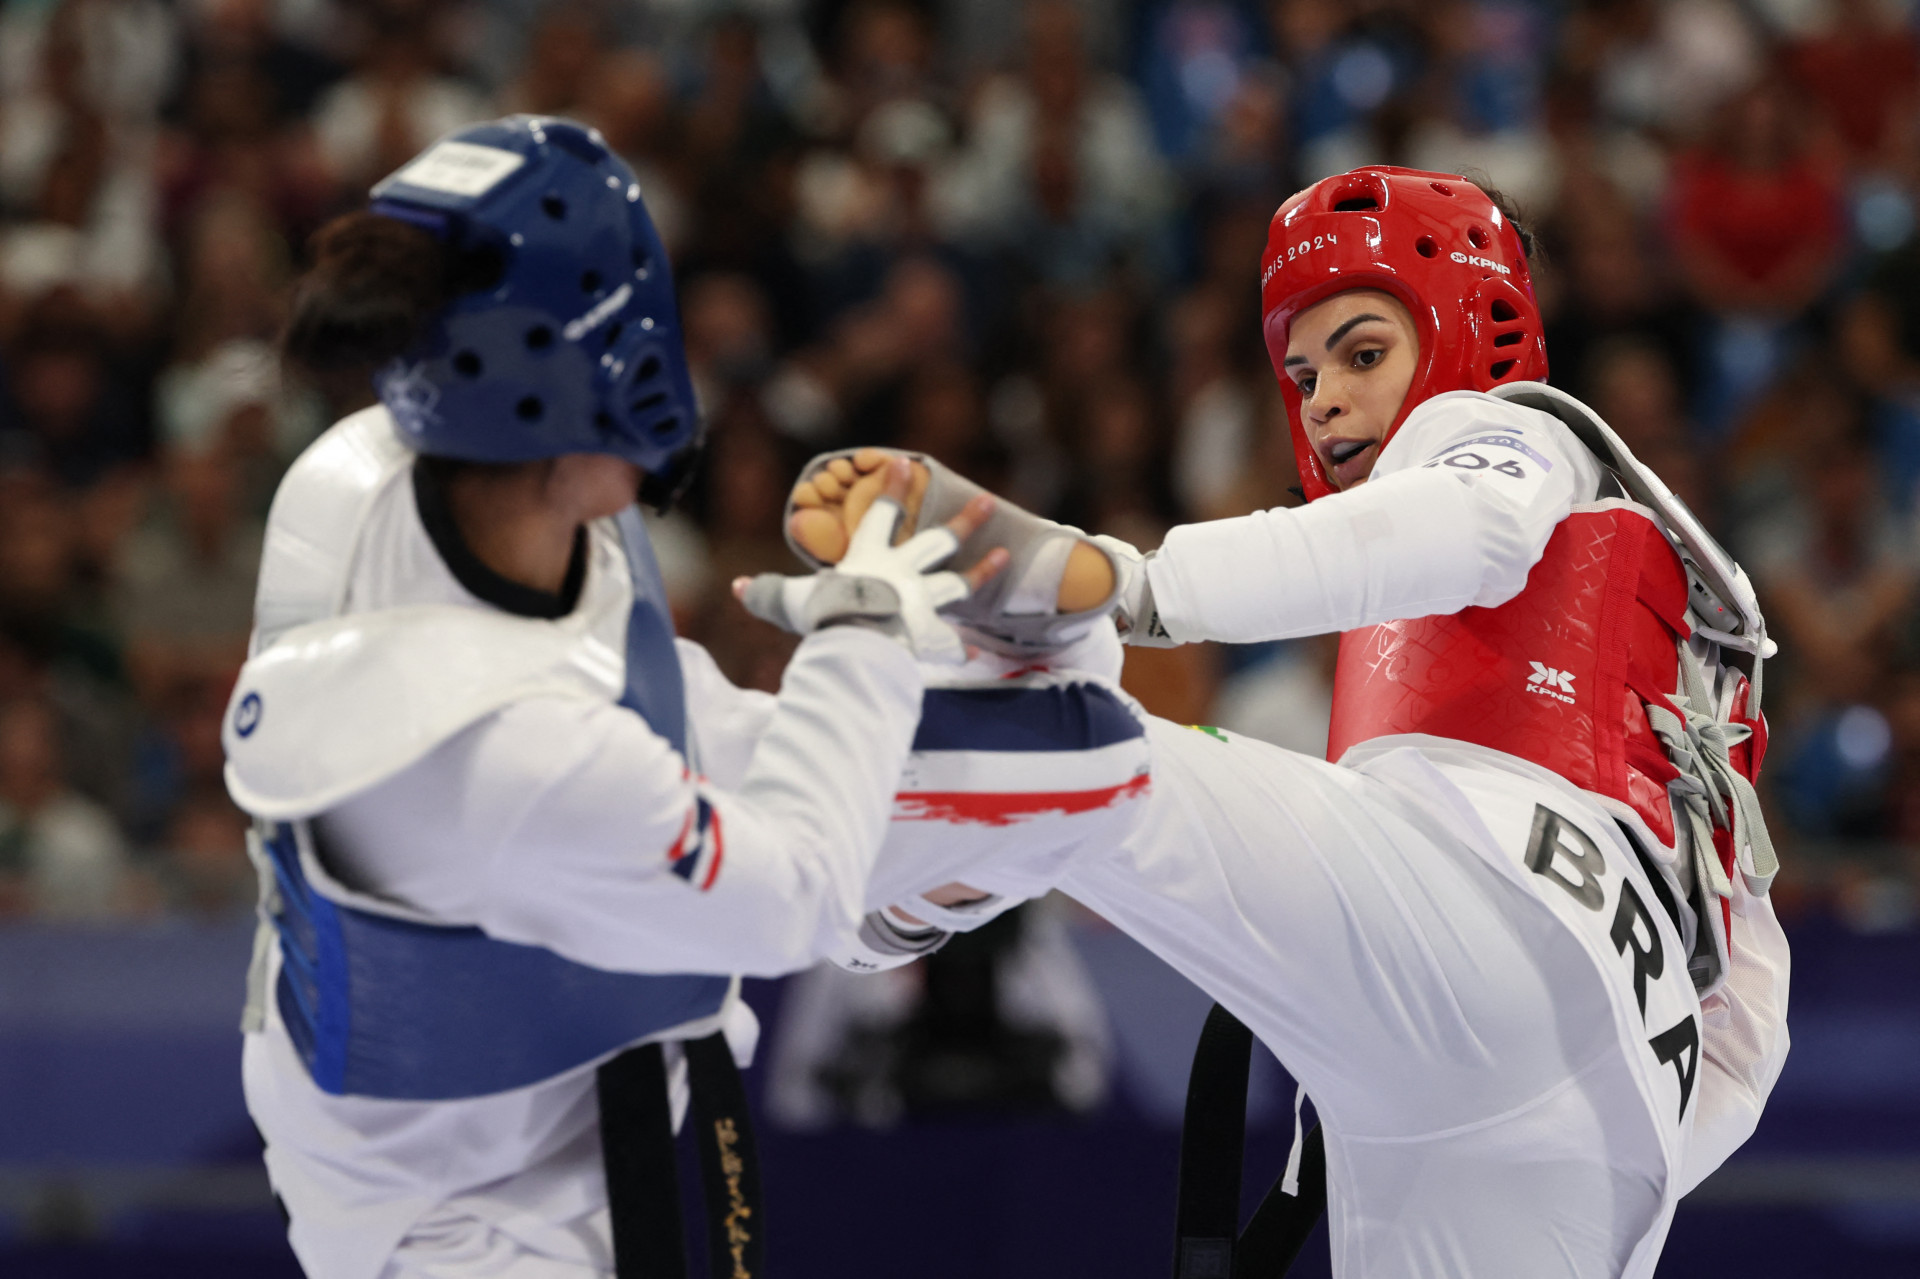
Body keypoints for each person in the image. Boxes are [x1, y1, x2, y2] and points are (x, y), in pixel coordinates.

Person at [767, 167, 1791, 1279]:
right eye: (1302, 374)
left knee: (1103, 758)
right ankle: (943, 852)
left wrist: (1128, 581)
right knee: (1110, 788)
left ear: (1470, 333)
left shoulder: (1511, 434)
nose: (1323, 400)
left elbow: (1470, 526)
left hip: (1515, 919)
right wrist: (1636, 1103)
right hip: (1584, 1135)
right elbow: (1749, 1016)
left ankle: (899, 827)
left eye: (1362, 352)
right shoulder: (1681, 647)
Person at [218, 115, 1061, 1279]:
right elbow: (791, 897)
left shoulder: (388, 483)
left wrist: (967, 770)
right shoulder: (486, 746)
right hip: (459, 1225)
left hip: (600, 1109)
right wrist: (869, 623)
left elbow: (661, 714)